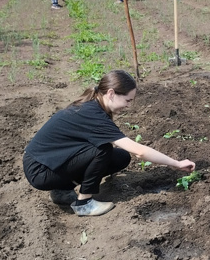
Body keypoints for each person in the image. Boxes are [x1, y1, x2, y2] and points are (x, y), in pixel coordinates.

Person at [23, 70, 196, 217]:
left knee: (119, 157)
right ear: (111, 93)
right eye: (128, 100)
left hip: (48, 164)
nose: (128, 106)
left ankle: (61, 190)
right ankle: (84, 203)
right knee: (102, 149)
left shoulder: (93, 105)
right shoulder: (94, 115)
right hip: (40, 170)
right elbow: (140, 151)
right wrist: (176, 163)